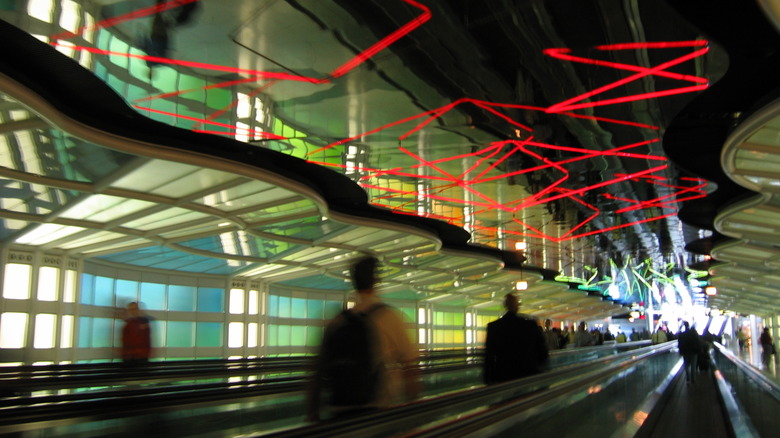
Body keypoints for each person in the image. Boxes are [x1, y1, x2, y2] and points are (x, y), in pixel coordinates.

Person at [307, 256, 419, 421]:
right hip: (375, 412)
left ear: (353, 281)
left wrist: (313, 415)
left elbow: (317, 373)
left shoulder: (336, 321)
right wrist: (414, 414)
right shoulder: (390, 317)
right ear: (376, 280)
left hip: (338, 412)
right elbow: (410, 368)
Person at [483, 293, 548, 384]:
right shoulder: (530, 326)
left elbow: (488, 358)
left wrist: (488, 380)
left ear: (504, 305)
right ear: (518, 306)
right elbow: (543, 353)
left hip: (504, 377)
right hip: (528, 375)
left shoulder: (494, 327)